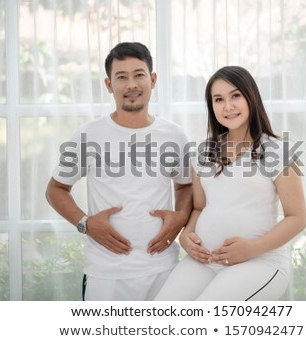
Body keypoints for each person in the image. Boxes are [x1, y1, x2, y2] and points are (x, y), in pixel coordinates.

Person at [46, 42, 192, 301]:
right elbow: (56, 190)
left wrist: (180, 217)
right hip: (106, 274)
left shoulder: (174, 135)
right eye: (121, 77)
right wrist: (86, 223)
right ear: (109, 85)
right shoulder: (88, 135)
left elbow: (184, 185)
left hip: (164, 270)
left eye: (139, 74)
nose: (131, 84)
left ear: (153, 79)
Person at [155, 66, 306, 301]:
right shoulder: (204, 152)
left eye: (235, 95)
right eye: (219, 99)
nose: (228, 106)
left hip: (260, 261)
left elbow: (297, 218)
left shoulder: (277, 150)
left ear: (251, 97)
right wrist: (186, 236)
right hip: (205, 260)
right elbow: (199, 207)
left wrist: (252, 248)